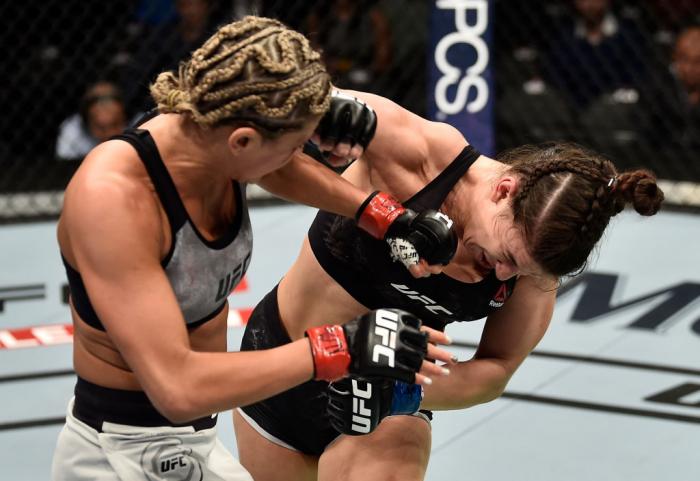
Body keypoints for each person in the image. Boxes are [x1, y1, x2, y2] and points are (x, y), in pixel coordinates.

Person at [51, 17, 456, 481]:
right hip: (122, 455)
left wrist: (385, 217)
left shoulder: (206, 134)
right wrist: (341, 346)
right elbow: (178, 387)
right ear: (243, 140)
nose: (300, 156)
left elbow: (274, 167)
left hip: (193, 439)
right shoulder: (114, 201)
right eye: (292, 146)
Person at [232, 89, 665, 481]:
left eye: (523, 271)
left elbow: (495, 371)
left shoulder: (535, 271)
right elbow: (262, 122)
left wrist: (398, 395)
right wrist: (380, 213)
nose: (503, 276)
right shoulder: (419, 154)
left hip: (383, 416)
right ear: (504, 191)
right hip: (281, 362)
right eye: (508, 257)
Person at [55, 81, 129, 161]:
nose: (110, 134)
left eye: (115, 125)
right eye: (101, 128)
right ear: (87, 123)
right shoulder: (72, 131)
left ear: (124, 118)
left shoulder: (140, 126)